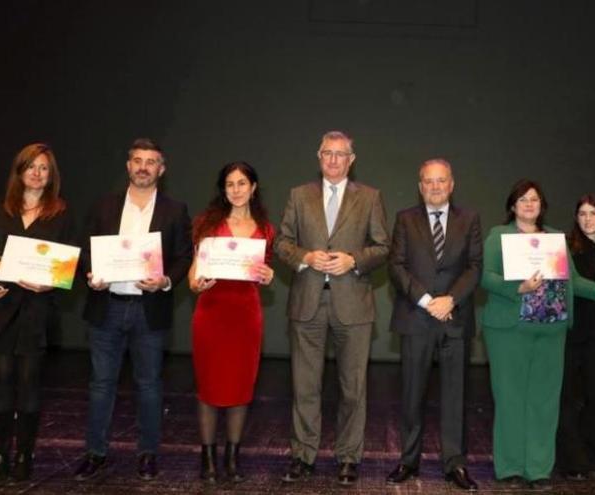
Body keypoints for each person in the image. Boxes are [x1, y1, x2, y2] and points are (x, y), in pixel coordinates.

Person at [481, 180, 595, 489]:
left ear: (542, 206)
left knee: (544, 402)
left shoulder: (555, 238)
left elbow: (574, 281)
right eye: (523, 199)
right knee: (511, 399)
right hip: (509, 331)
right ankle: (510, 467)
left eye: (535, 200)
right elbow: (485, 277)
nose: (529, 204)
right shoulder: (498, 236)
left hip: (551, 329)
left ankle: (539, 470)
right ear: (512, 206)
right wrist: (518, 287)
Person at [274, 130, 390, 486]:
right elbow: (281, 242)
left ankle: (348, 458)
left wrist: (352, 260)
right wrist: (305, 257)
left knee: (352, 388)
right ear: (319, 156)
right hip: (307, 303)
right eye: (328, 153)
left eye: (341, 154)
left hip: (352, 305)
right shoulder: (298, 195)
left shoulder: (370, 197)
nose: (334, 160)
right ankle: (303, 455)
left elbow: (383, 246)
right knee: (304, 386)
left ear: (352, 160)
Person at [74, 138, 192, 481]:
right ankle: (95, 452)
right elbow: (86, 250)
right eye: (138, 160)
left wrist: (166, 280)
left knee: (150, 385)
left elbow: (185, 255)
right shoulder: (103, 206)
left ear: (161, 169)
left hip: (149, 309)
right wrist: (90, 275)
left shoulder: (175, 210)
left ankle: (148, 454)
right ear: (128, 166)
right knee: (100, 384)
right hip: (106, 306)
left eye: (151, 161)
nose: (143, 167)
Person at [0, 143, 74, 485]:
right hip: (0, 308)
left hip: (37, 310)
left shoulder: (61, 213)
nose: (37, 173)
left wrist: (53, 284)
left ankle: (24, 456)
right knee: (1, 381)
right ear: (19, 171)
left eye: (44, 168)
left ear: (51, 175)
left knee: (29, 383)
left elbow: (73, 260)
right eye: (31, 166)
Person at [386, 159, 482, 491]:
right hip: (416, 318)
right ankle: (408, 461)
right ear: (420, 185)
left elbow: (474, 267)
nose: (436, 186)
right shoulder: (404, 219)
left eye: (441, 181)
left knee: (455, 396)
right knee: (412, 394)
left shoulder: (469, 219)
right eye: (429, 181)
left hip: (455, 319)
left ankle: (454, 464)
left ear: (452, 184)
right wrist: (428, 301)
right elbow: (396, 266)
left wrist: (449, 300)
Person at [188, 162, 275, 484]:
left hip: (245, 317)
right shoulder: (207, 224)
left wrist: (269, 275)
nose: (236, 189)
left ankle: (232, 457)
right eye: (229, 184)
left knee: (241, 388)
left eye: (242, 183)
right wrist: (198, 283)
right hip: (211, 314)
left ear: (253, 187)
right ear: (223, 190)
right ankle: (208, 457)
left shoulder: (266, 229)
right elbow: (193, 278)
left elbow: (263, 272)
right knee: (209, 388)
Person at [555, 194, 595, 480]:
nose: (587, 219)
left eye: (593, 213)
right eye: (582, 214)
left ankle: (591, 457)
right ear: (576, 218)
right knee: (567, 398)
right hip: (571, 332)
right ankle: (571, 460)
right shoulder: (566, 247)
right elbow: (570, 286)